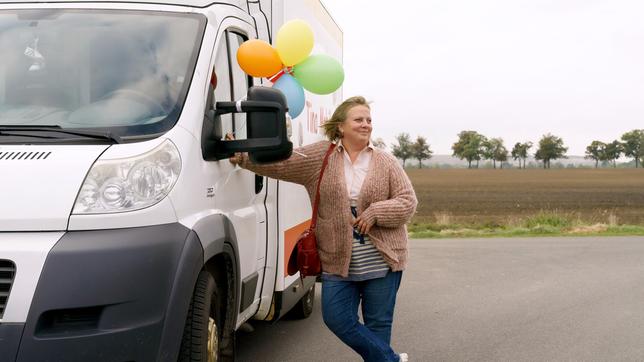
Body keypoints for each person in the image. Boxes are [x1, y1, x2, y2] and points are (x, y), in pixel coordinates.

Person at [230, 96, 417, 362]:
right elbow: (282, 163)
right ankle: (392, 360)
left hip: (382, 259)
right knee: (337, 319)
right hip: (336, 259)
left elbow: (408, 202)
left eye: (369, 120)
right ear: (340, 126)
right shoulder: (321, 156)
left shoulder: (385, 161)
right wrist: (245, 157)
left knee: (378, 326)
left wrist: (376, 212)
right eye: (359, 120)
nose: (366, 125)